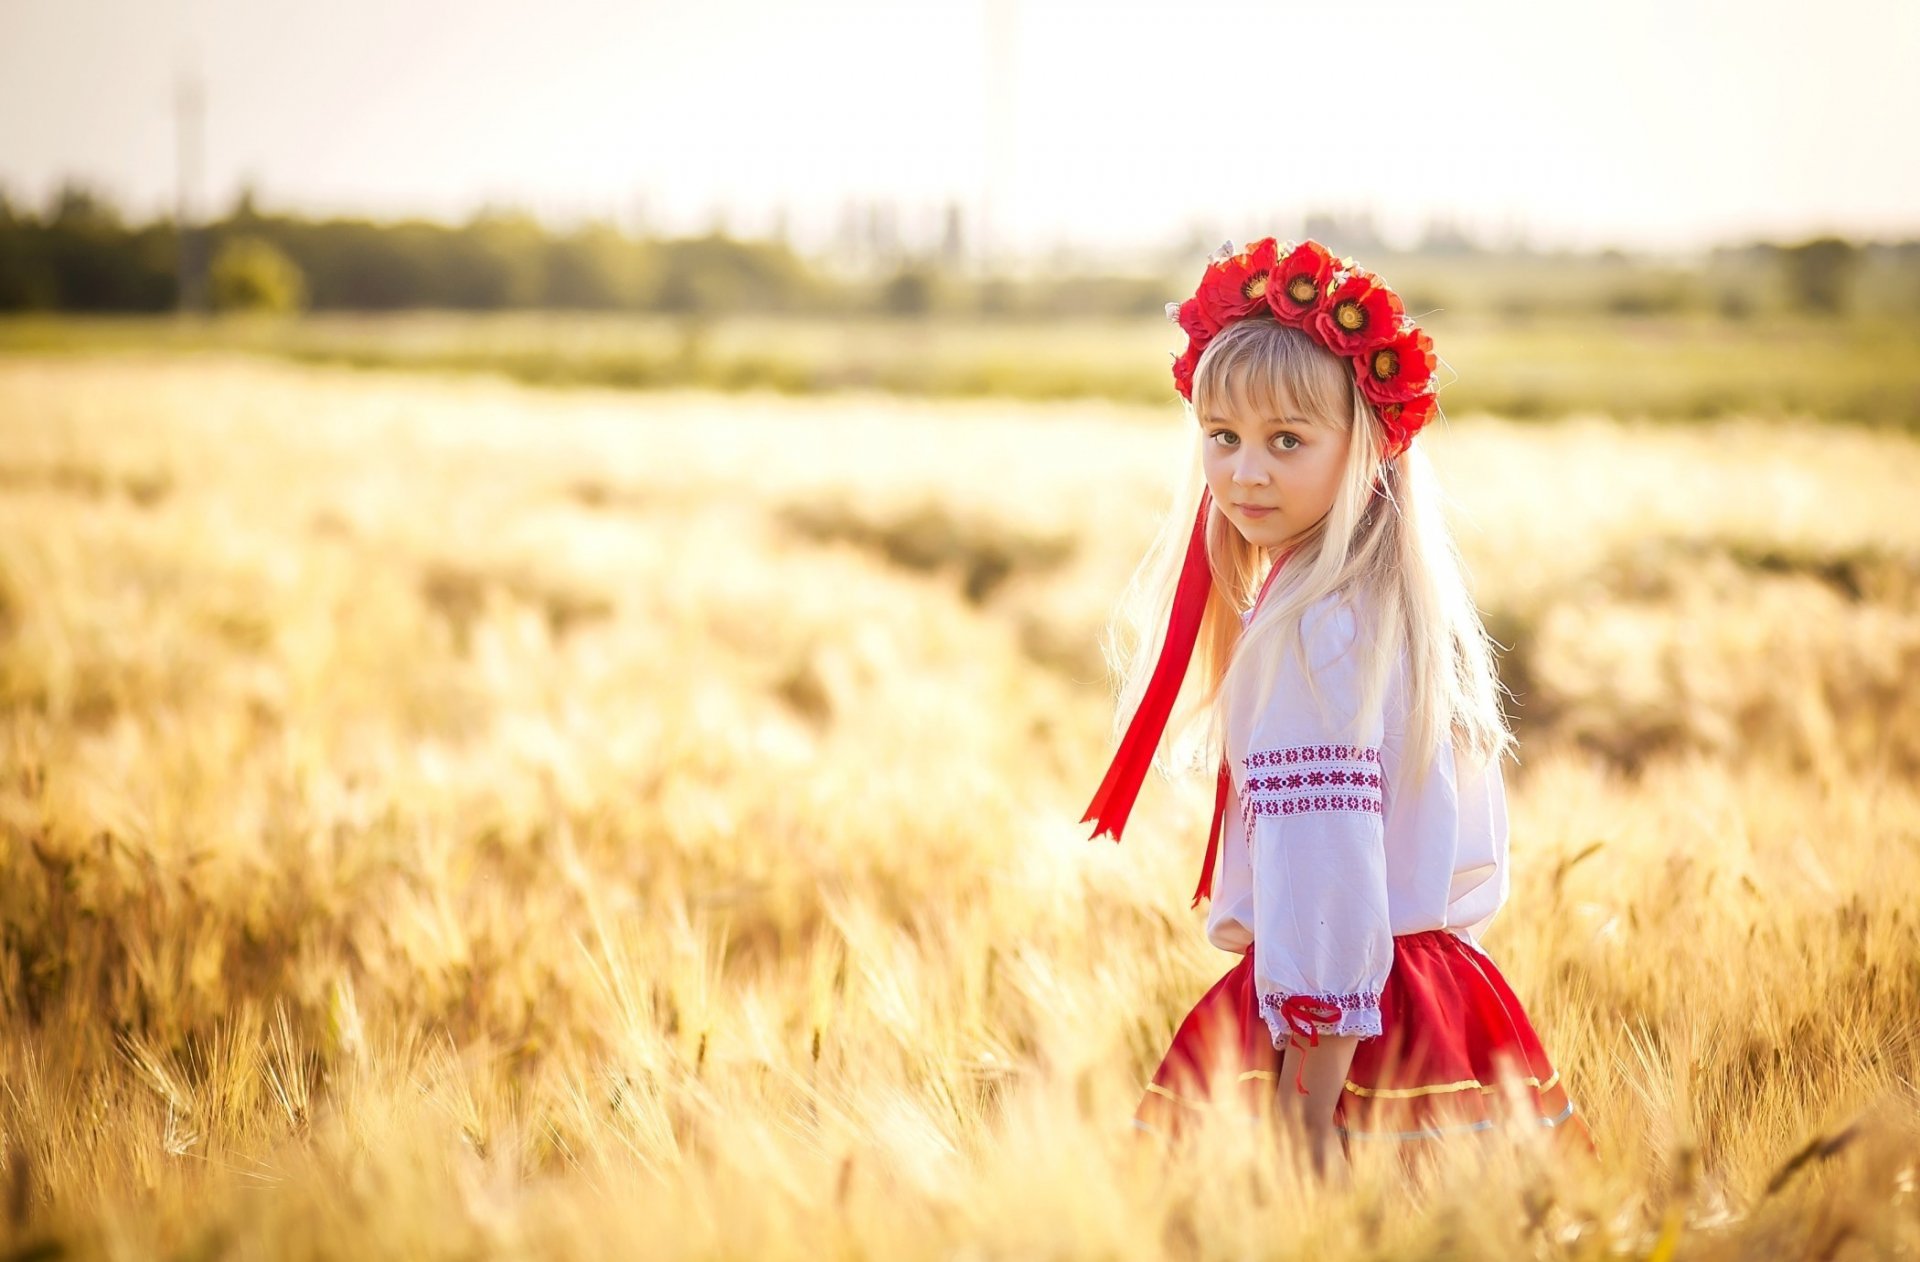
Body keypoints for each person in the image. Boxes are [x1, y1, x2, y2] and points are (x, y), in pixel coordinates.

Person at [1081, 237, 1597, 1177]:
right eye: (1222, 437)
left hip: (1334, 1044)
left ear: (1362, 443)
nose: (1244, 473)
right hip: (1443, 1007)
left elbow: (1327, 877)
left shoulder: (1311, 634)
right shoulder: (1389, 608)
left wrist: (1307, 1120)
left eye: (1288, 440)